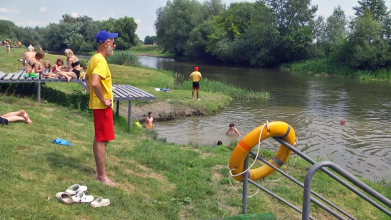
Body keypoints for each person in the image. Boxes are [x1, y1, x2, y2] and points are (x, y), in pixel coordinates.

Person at [86, 30, 118, 187]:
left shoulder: (94, 58)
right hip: (102, 106)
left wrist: (94, 96)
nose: (114, 45)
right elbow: (94, 82)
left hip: (98, 105)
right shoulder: (100, 61)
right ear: (106, 44)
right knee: (102, 139)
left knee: (99, 137)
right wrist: (103, 100)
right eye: (112, 42)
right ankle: (102, 176)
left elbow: (86, 78)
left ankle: (99, 172)